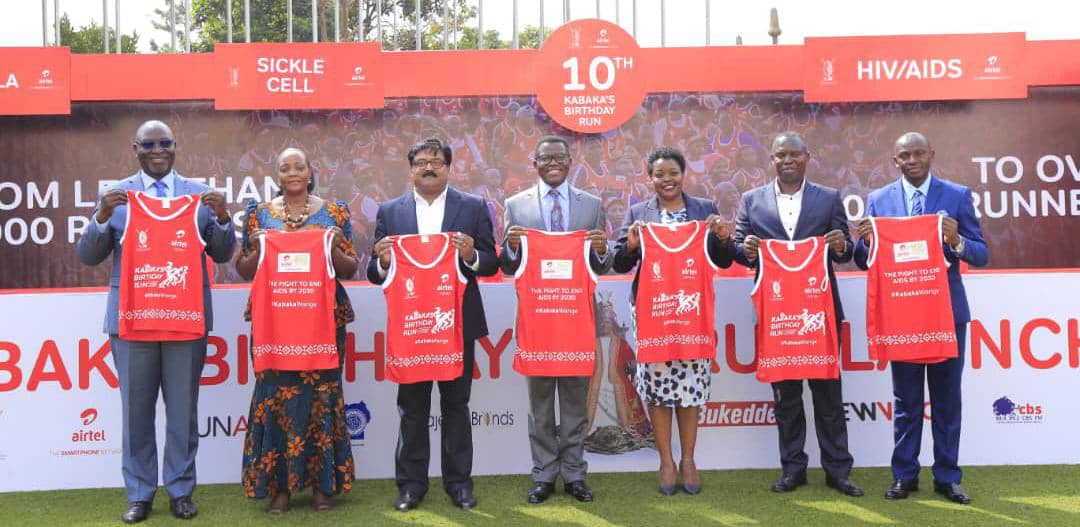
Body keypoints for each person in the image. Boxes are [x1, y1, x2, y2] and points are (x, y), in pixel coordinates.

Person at [77, 120, 235, 523]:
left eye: (165, 143)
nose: (158, 149)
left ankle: (181, 491)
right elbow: (89, 256)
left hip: (185, 318)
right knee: (137, 411)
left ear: (176, 146)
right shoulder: (115, 196)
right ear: (136, 149)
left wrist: (222, 218)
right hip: (131, 321)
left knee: (184, 411)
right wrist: (99, 216)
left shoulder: (199, 196)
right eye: (149, 144)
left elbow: (221, 253)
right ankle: (140, 494)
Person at [854, 132, 988, 504]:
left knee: (946, 401)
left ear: (931, 154)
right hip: (902, 318)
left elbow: (981, 253)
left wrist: (957, 240)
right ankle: (904, 476)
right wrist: (865, 242)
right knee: (906, 402)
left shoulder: (956, 195)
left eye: (918, 153)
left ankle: (947, 477)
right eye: (904, 156)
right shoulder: (879, 200)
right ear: (894, 161)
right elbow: (866, 261)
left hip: (946, 315)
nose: (911, 160)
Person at [367, 138, 498, 512]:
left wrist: (472, 254)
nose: (429, 167)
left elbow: (491, 263)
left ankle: (459, 485)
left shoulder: (472, 207)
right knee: (412, 409)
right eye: (422, 161)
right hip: (412, 328)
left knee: (456, 405)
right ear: (410, 169)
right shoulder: (390, 212)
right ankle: (411, 486)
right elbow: (374, 273)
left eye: (436, 161)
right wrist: (384, 262)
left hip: (456, 324)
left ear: (448, 167)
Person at [733, 131, 863, 497]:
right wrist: (746, 248)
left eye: (794, 154)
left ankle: (838, 471)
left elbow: (845, 251)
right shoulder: (751, 200)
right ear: (771, 160)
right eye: (780, 155)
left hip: (819, 313)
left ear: (808, 156)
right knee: (785, 397)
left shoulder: (828, 198)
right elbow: (742, 252)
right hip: (778, 315)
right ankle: (793, 469)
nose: (787, 160)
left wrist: (840, 245)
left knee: (829, 396)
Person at [235, 147, 359, 513]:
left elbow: (350, 268)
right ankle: (279, 488)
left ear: (310, 172)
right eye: (284, 167)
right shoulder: (258, 215)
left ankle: (324, 487)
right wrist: (258, 247)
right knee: (273, 396)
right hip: (274, 321)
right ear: (276, 177)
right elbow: (244, 269)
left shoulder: (334, 212)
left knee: (323, 396)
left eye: (298, 166)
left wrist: (333, 245)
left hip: (323, 320)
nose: (292, 172)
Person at [612, 146, 734, 495]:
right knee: (658, 385)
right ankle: (666, 460)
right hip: (653, 310)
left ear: (684, 174)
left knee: (692, 385)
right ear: (649, 179)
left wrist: (722, 236)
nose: (667, 180)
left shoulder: (705, 210)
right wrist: (633, 246)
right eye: (659, 174)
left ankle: (689, 460)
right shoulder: (639, 213)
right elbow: (619, 263)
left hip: (692, 309)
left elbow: (724, 260)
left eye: (673, 173)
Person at [498, 136, 611, 504]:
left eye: (559, 157)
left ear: (570, 160)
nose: (552, 163)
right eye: (545, 158)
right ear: (533, 163)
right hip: (538, 318)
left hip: (577, 316)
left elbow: (600, 265)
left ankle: (575, 474)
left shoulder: (591, 205)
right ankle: (544, 474)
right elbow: (509, 265)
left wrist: (600, 251)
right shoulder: (516, 206)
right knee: (541, 402)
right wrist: (512, 248)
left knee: (576, 400)